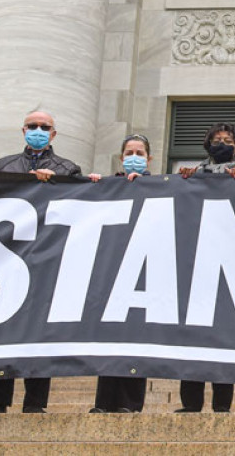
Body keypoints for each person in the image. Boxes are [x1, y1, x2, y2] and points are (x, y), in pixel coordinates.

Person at [0, 111, 86, 413]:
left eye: (45, 127)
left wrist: (52, 184)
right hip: (7, 262)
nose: (38, 131)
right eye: (33, 126)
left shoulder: (68, 168)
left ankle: (35, 403)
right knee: (0, 328)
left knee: (40, 330)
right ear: (23, 130)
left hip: (46, 260)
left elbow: (79, 205)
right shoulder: (2, 166)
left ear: (54, 134)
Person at [176, 122, 235, 412]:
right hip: (196, 268)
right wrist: (184, 181)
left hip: (232, 268)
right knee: (192, 340)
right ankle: (190, 404)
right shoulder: (192, 176)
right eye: (217, 140)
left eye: (228, 140)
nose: (222, 144)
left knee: (224, 341)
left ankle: (222, 407)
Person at [89, 134, 153, 414]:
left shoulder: (162, 186)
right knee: (109, 341)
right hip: (112, 273)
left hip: (145, 275)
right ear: (121, 157)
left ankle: (130, 403)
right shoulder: (108, 186)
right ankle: (104, 403)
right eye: (129, 152)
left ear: (149, 159)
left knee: (136, 341)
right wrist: (90, 187)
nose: (134, 156)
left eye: (140, 152)